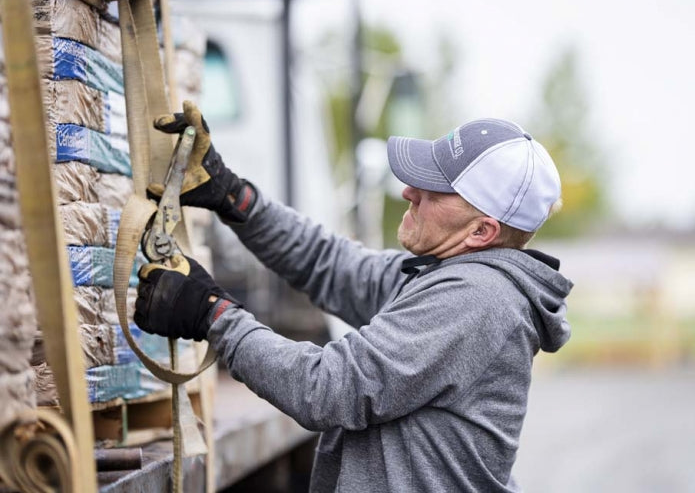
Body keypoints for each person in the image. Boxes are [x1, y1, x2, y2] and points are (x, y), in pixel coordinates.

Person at [135, 101, 573, 492]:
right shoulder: (449, 273)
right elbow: (333, 265)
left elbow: (328, 389)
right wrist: (234, 196)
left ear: (481, 232)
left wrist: (213, 314)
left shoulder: (475, 299)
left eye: (436, 189)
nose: (409, 191)